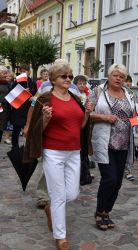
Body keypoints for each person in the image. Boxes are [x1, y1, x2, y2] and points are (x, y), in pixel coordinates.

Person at [23, 63, 92, 250]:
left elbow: (81, 126)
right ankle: (60, 237)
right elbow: (37, 131)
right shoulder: (45, 99)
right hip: (53, 152)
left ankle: (50, 208)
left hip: (74, 152)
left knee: (72, 193)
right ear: (53, 79)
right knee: (59, 195)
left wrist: (87, 113)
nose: (68, 79)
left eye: (70, 76)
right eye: (64, 76)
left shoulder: (76, 98)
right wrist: (45, 118)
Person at [89, 64, 136, 231]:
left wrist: (136, 124)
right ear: (108, 76)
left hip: (124, 144)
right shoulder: (98, 92)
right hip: (105, 141)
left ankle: (107, 211)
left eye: (122, 76)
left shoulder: (129, 94)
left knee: (117, 183)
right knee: (109, 178)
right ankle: (99, 212)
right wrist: (104, 117)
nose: (118, 78)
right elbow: (86, 113)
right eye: (115, 75)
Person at [10, 64, 37, 148]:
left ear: (29, 72)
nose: (22, 73)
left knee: (28, 130)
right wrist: (22, 92)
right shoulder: (17, 81)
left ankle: (27, 148)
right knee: (16, 130)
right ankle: (15, 147)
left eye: (24, 71)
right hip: (18, 110)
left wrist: (33, 97)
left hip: (28, 110)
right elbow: (11, 95)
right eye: (21, 71)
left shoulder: (32, 82)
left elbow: (36, 94)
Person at [123, 74, 136, 181]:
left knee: (130, 148)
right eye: (126, 81)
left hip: (130, 126)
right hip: (118, 127)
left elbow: (135, 110)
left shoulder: (131, 94)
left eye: (129, 81)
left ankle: (128, 170)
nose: (128, 84)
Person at [0, 66, 10, 143]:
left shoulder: (7, 84)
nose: (6, 75)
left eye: (6, 73)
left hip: (4, 112)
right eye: (4, 73)